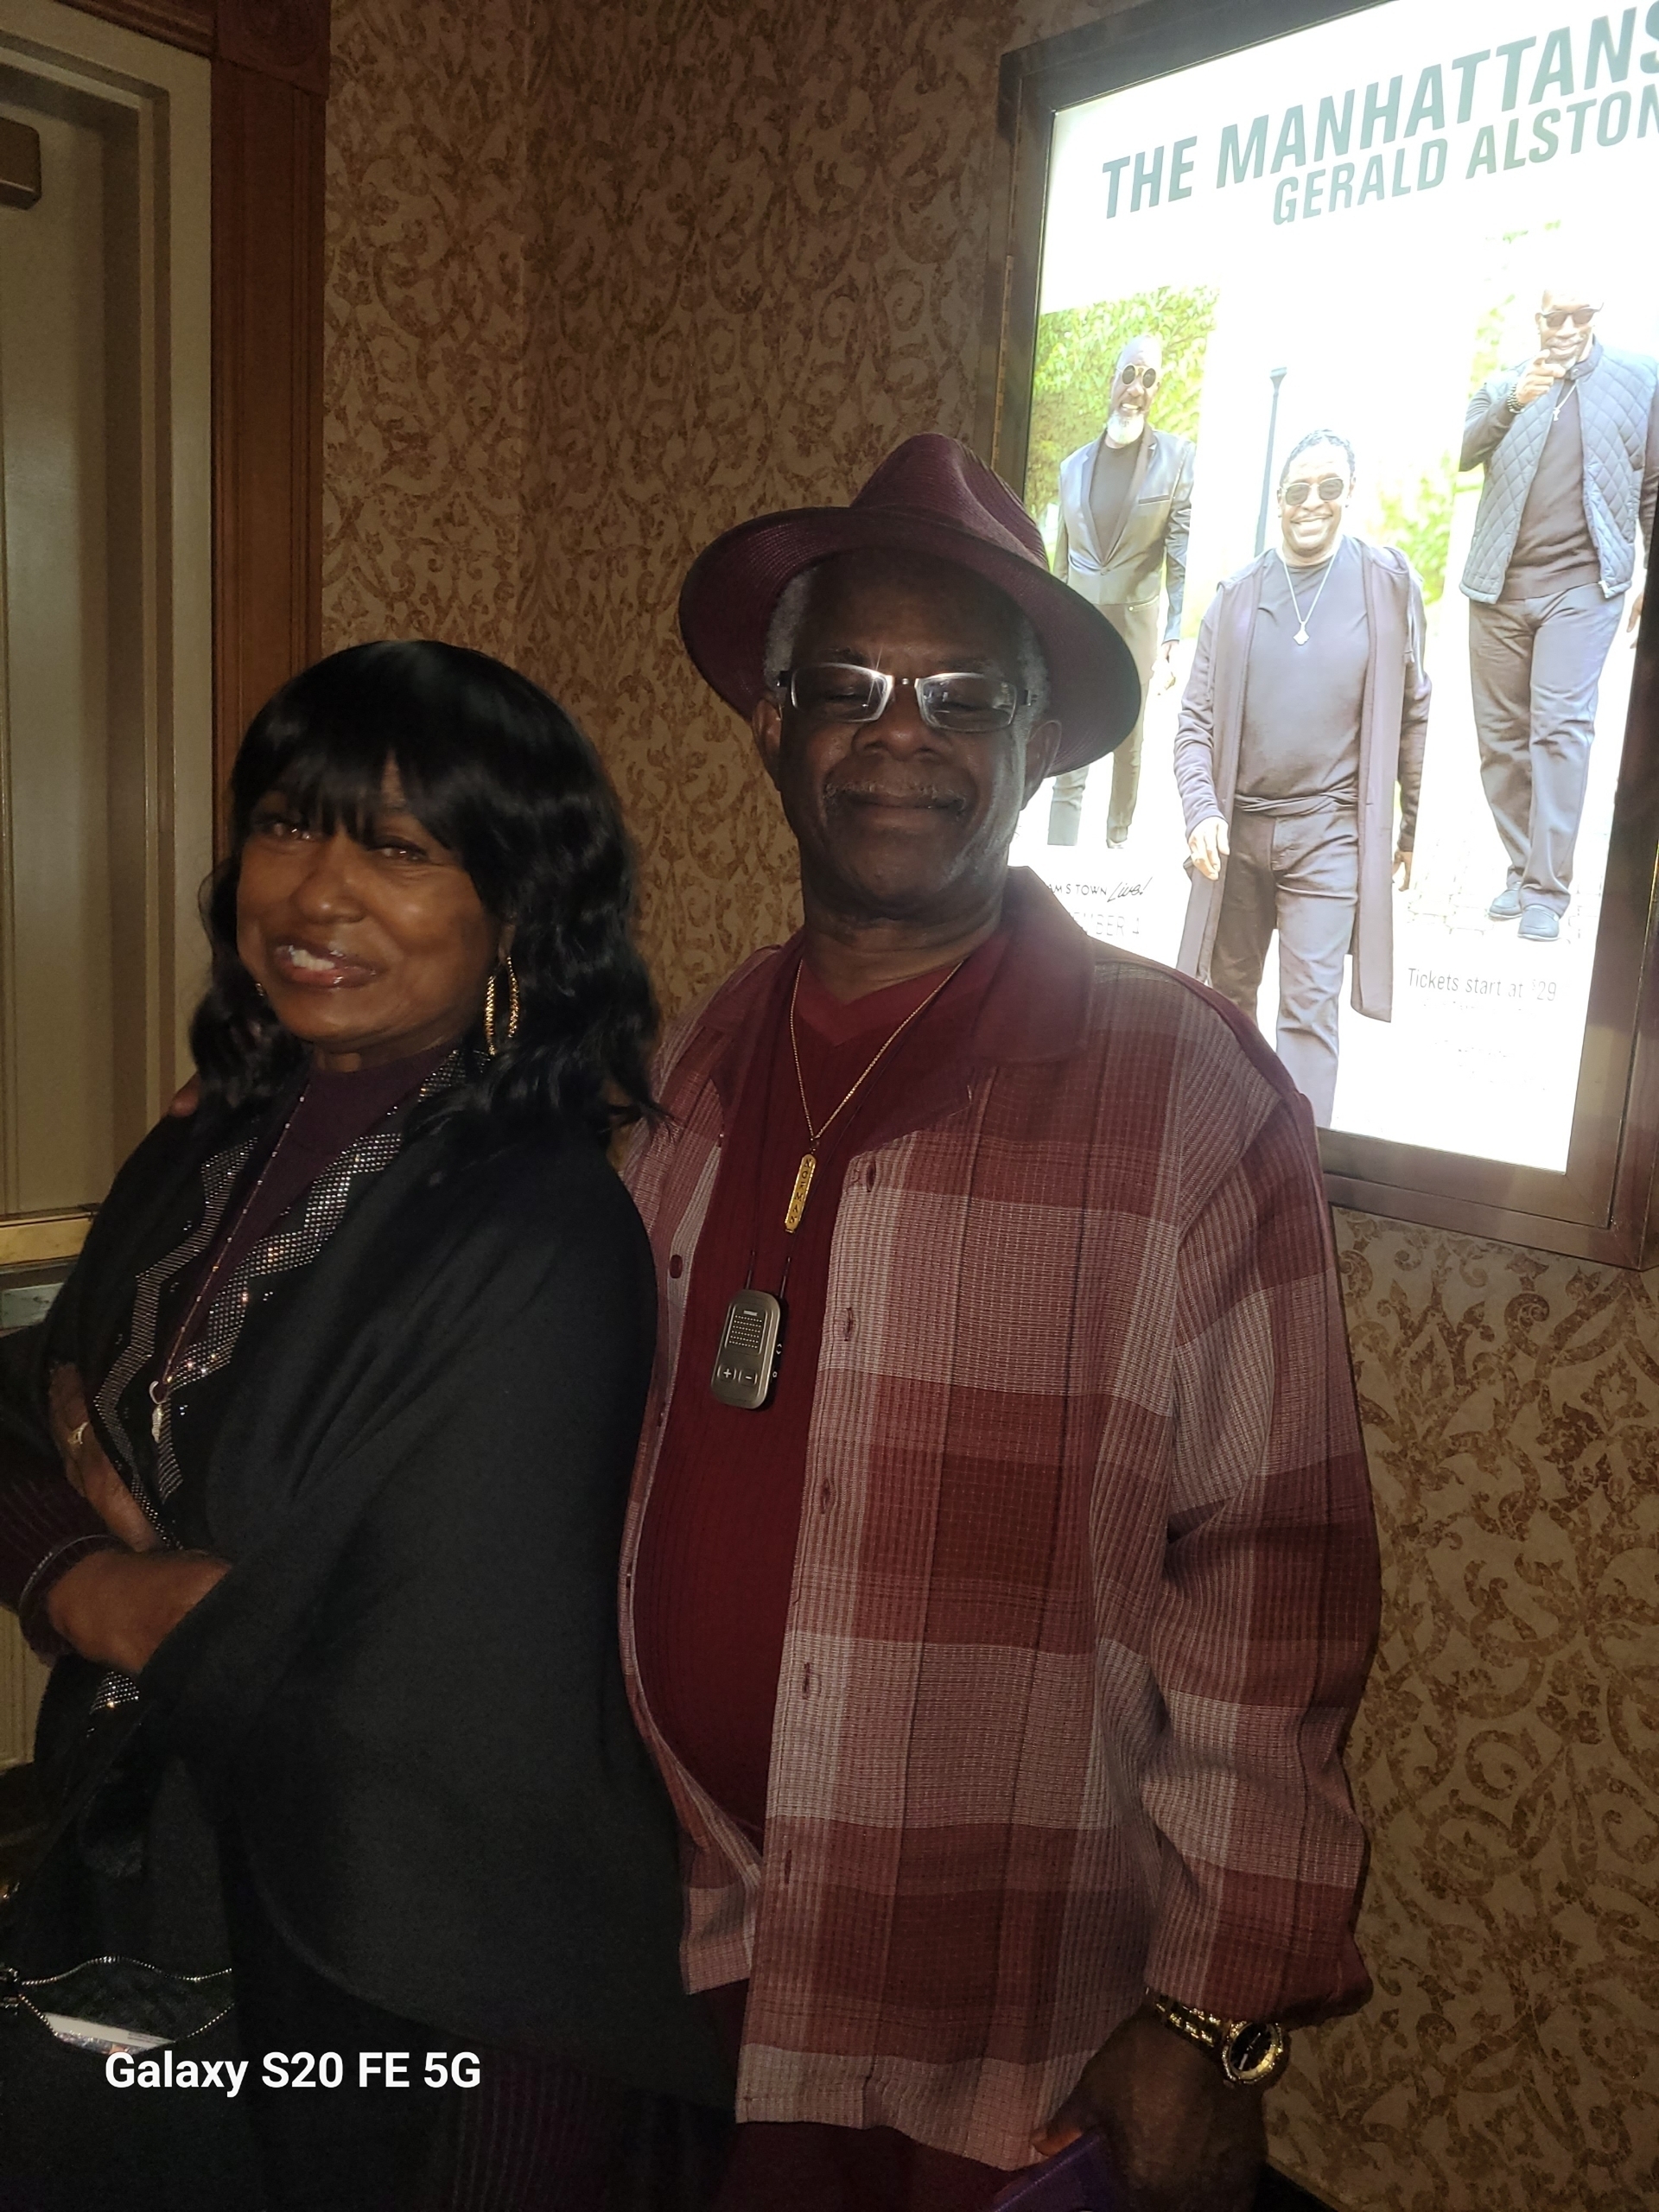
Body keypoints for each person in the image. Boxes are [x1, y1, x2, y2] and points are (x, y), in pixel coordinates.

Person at [620, 435, 1380, 2212]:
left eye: (965, 696)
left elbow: (1272, 1581)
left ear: (1036, 745)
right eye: (851, 686)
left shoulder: (1189, 1096)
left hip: (1001, 2008)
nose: (904, 734)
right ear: (772, 726)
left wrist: (1206, 2015)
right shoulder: (698, 1057)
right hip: (697, 1948)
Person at [0, 643, 727, 2212]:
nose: (315, 893)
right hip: (172, 1896)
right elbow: (26, 1407)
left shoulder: (541, 1236)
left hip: (433, 1992)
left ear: (517, 908)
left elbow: (400, 1693)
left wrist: (118, 1564)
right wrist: (86, 1581)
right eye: (285, 824)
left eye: (398, 849)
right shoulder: (210, 1142)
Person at [1173, 429, 1429, 1128]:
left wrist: (1410, 827)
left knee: (1310, 1010)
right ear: (1279, 500)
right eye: (1298, 490)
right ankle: (1230, 1147)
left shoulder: (1387, 586)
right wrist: (1201, 810)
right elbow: (1194, 721)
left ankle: (1301, 1164)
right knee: (1228, 999)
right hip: (1238, 834)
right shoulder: (1236, 598)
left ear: (1350, 494)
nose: (1312, 502)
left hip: (1330, 833)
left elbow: (1414, 710)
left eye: (1329, 487)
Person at [1460, 279, 1658, 941]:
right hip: (1498, 589)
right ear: (1537, 318)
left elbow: (1654, 484)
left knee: (1560, 730)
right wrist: (1512, 403)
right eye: (1556, 317)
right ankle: (1521, 870)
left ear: (1596, 314)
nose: (1568, 328)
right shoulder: (1503, 383)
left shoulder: (1640, 380)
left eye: (1581, 314)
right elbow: (1461, 451)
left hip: (1584, 586)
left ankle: (1547, 890)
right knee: (1501, 741)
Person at [1047, 333, 1193, 848]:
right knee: (1073, 734)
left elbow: (1181, 554)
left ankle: (1117, 844)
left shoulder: (1177, 458)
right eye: (1129, 374)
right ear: (1113, 380)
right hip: (1080, 623)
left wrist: (1174, 633)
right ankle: (1058, 855)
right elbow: (1061, 562)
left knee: (1129, 744)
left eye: (1149, 378)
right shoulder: (1072, 468)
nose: (1136, 388)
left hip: (1136, 622)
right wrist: (1049, 628)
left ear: (1157, 389)